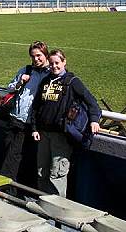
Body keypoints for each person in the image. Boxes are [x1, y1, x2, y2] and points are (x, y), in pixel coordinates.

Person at [31, 49, 101, 197]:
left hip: (61, 136)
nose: (54, 66)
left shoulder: (72, 82)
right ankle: (43, 203)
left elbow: (92, 102)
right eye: (51, 63)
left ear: (64, 62)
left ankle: (56, 211)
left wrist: (94, 120)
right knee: (41, 171)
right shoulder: (45, 81)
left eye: (57, 63)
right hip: (43, 134)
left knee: (57, 174)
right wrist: (34, 128)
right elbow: (36, 107)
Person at [0, 41, 50, 184]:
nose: (36, 59)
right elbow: (10, 88)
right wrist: (19, 83)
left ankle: (13, 189)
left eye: (39, 55)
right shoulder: (26, 70)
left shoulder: (51, 74)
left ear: (45, 54)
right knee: (10, 157)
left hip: (34, 125)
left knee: (26, 160)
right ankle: (7, 190)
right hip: (16, 120)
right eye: (33, 56)